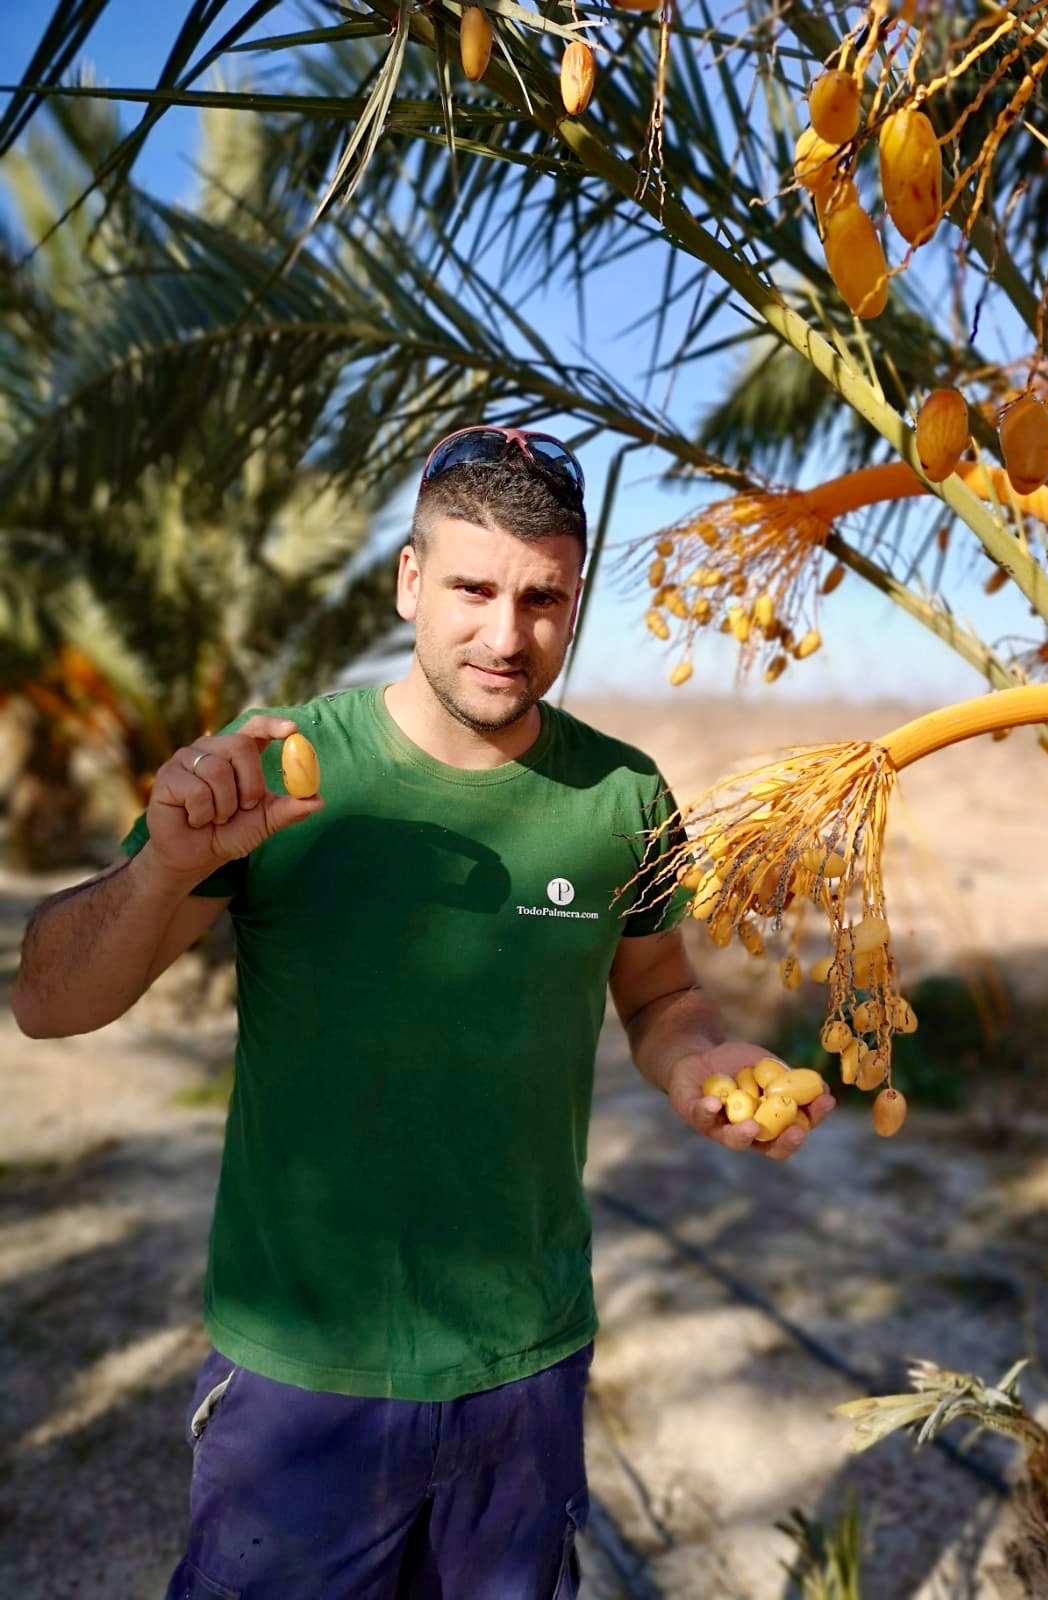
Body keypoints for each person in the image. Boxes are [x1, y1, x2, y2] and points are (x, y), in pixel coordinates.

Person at [12, 424, 835, 1599]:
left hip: (524, 1367)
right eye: (472, 587)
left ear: (575, 597)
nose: (506, 635)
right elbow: (47, 1002)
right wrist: (156, 874)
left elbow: (660, 994)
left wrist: (701, 1062)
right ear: (410, 580)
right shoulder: (279, 771)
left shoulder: (624, 796)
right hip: (305, 1374)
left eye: (542, 597)